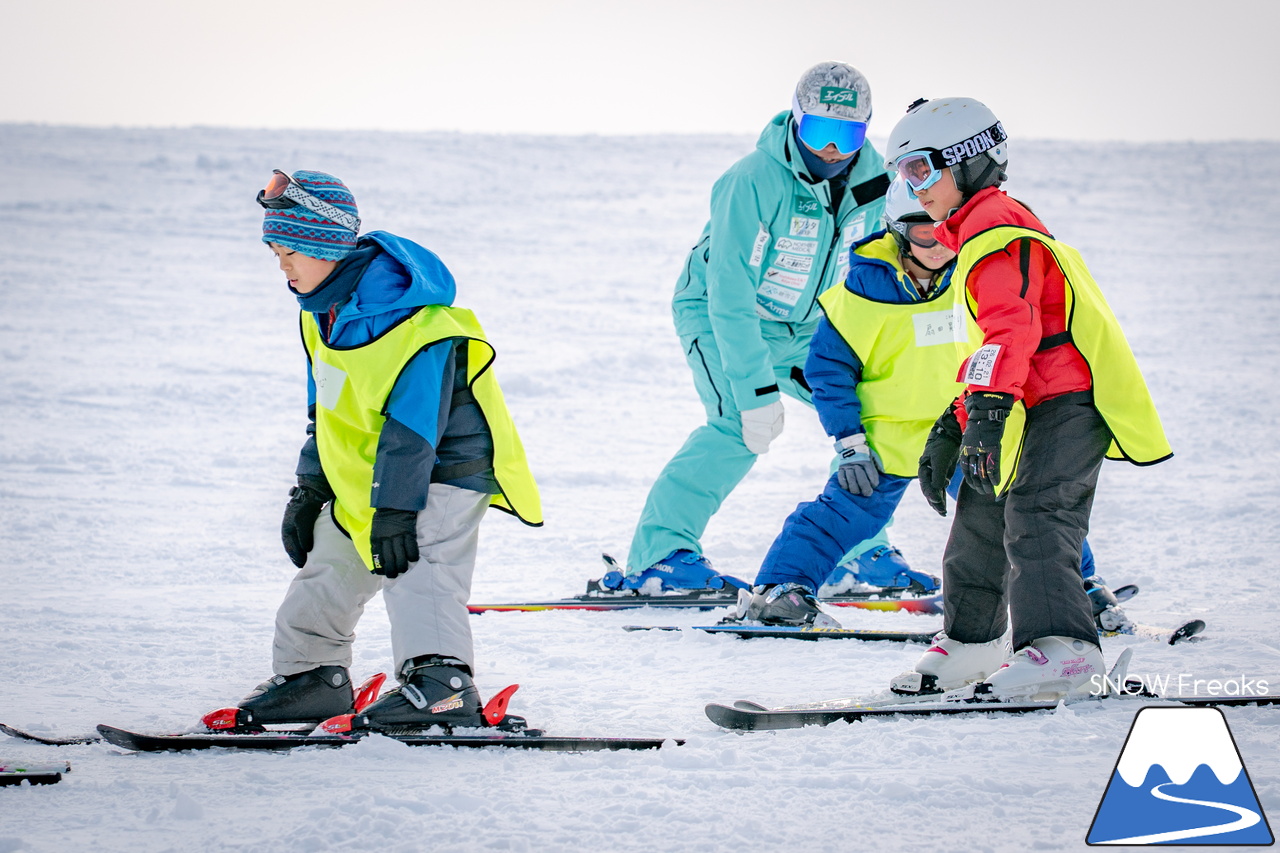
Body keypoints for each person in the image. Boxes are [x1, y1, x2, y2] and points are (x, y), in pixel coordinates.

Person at [883, 99, 1172, 700]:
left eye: (918, 169)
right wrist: (957, 420)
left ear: (964, 161)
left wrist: (987, 411)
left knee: (1039, 516)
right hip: (1029, 398)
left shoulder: (996, 232)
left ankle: (1065, 650)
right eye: (900, 174)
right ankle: (973, 644)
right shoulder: (978, 233)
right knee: (982, 515)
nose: (910, 186)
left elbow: (1012, 333)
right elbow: (997, 344)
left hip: (1067, 400)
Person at [233, 170, 542, 731]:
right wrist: (311, 488)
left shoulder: (420, 323)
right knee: (331, 564)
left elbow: (415, 429)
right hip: (369, 472)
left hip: (442, 469)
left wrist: (397, 510)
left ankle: (441, 686)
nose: (282, 264)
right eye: (275, 251)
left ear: (326, 243)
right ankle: (312, 678)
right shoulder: (318, 315)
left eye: (292, 249)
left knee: (419, 565)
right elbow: (325, 413)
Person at [597, 61, 910, 595]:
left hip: (810, 326)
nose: (833, 150)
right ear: (796, 119)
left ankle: (857, 553)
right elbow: (730, 291)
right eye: (819, 131)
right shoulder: (750, 180)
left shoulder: (881, 188)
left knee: (874, 425)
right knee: (741, 423)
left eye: (848, 134)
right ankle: (660, 557)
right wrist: (756, 388)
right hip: (720, 315)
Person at [736, 179, 969, 625]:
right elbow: (828, 371)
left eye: (948, 230)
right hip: (885, 436)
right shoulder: (861, 293)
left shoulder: (971, 282)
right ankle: (780, 592)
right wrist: (850, 443)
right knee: (841, 516)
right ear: (900, 230)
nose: (939, 244)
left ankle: (1075, 590)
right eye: (925, 233)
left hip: (957, 431)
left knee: (1015, 506)